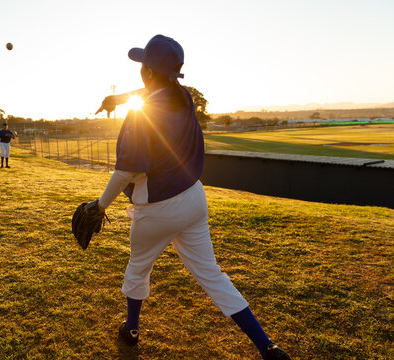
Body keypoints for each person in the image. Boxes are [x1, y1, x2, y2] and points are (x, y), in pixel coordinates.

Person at [93, 35, 290, 359]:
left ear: (150, 72)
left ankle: (131, 328)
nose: (141, 69)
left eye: (144, 65)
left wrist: (100, 206)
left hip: (156, 209)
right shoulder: (183, 97)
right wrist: (120, 98)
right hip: (194, 200)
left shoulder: (139, 117)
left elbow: (127, 171)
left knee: (137, 270)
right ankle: (267, 346)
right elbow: (154, 92)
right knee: (212, 275)